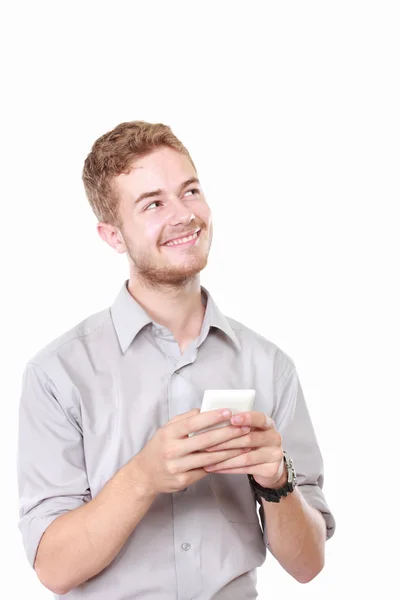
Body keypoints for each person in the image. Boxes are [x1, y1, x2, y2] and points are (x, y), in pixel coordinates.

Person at [17, 121, 336, 599]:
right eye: (153, 203)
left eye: (190, 190)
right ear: (113, 235)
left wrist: (276, 481)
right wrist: (143, 476)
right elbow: (53, 570)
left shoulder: (270, 366)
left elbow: (309, 565)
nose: (184, 214)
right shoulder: (57, 374)